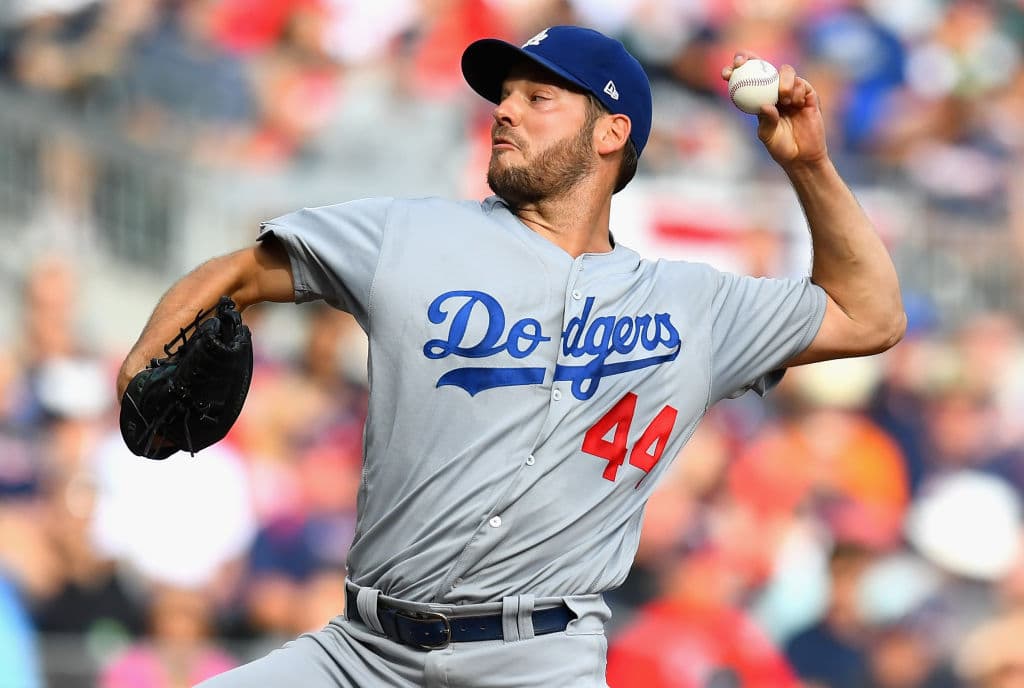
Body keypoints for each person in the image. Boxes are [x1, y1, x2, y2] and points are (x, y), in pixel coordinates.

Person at [116, 25, 905, 688]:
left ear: (611, 131)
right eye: (503, 95)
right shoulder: (409, 234)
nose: (505, 112)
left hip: (540, 661)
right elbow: (237, 272)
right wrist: (137, 372)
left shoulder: (694, 305)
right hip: (362, 653)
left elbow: (869, 316)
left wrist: (808, 165)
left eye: (538, 97)